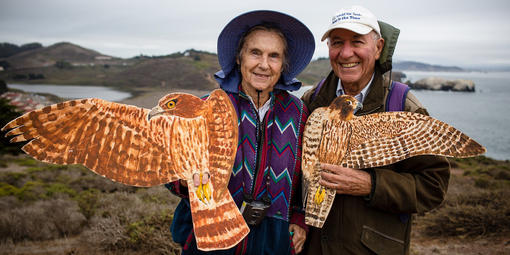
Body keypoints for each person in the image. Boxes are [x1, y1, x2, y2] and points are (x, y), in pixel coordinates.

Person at [300, 6, 450, 255]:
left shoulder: (403, 107)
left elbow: (433, 185)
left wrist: (372, 184)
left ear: (378, 47)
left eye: (357, 42)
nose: (346, 53)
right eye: (337, 42)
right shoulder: (312, 101)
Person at [166, 10, 315, 254]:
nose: (264, 64)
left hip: (273, 243)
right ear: (239, 57)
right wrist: (183, 179)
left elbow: (306, 178)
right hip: (212, 239)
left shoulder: (298, 114)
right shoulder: (206, 108)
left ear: (283, 64)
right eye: (255, 52)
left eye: (274, 56)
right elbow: (170, 172)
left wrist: (299, 220)